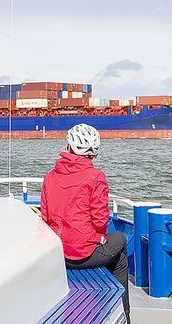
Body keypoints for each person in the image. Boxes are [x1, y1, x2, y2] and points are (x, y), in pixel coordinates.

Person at [40, 124, 130, 323]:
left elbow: (45, 217)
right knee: (121, 246)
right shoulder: (95, 177)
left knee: (113, 249)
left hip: (56, 253)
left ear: (69, 146)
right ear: (94, 151)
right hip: (80, 255)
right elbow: (100, 220)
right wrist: (97, 236)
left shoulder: (50, 177)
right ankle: (125, 316)